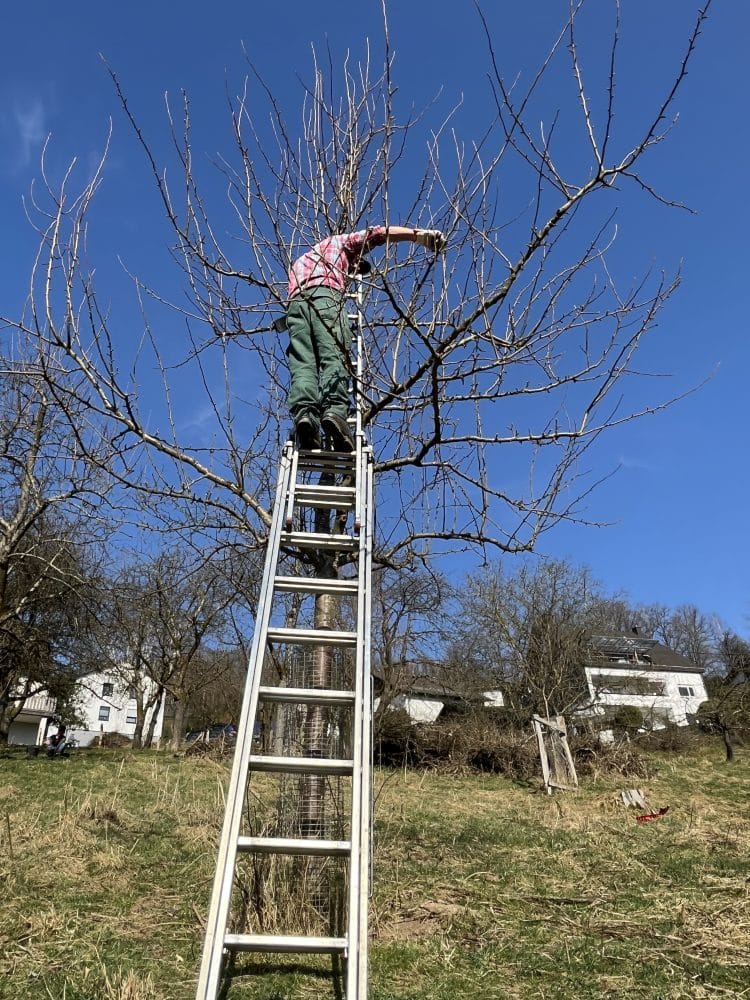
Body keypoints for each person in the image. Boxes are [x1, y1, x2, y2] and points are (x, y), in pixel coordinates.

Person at [286, 225, 447, 451]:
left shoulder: (300, 262)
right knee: (334, 355)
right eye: (355, 266)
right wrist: (417, 236)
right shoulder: (339, 243)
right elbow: (377, 233)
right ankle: (334, 413)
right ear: (355, 256)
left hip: (296, 307)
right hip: (326, 298)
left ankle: (306, 419)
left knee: (304, 364)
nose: (352, 271)